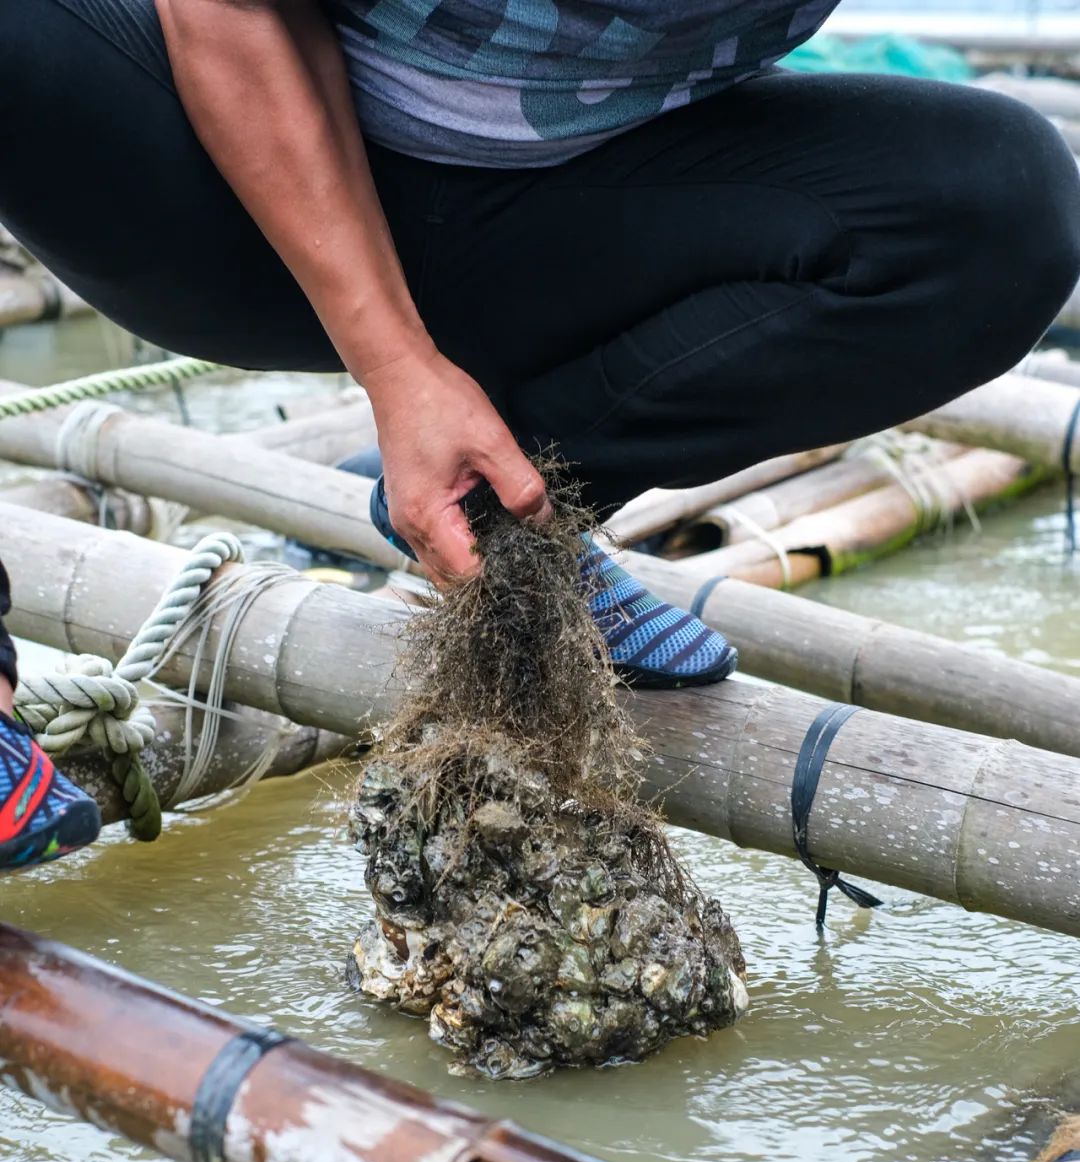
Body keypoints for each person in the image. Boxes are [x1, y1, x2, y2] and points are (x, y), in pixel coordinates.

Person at [1, 0, 1079, 869]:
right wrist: (395, 366)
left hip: (571, 214)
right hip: (214, 170)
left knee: (998, 201)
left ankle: (513, 514)